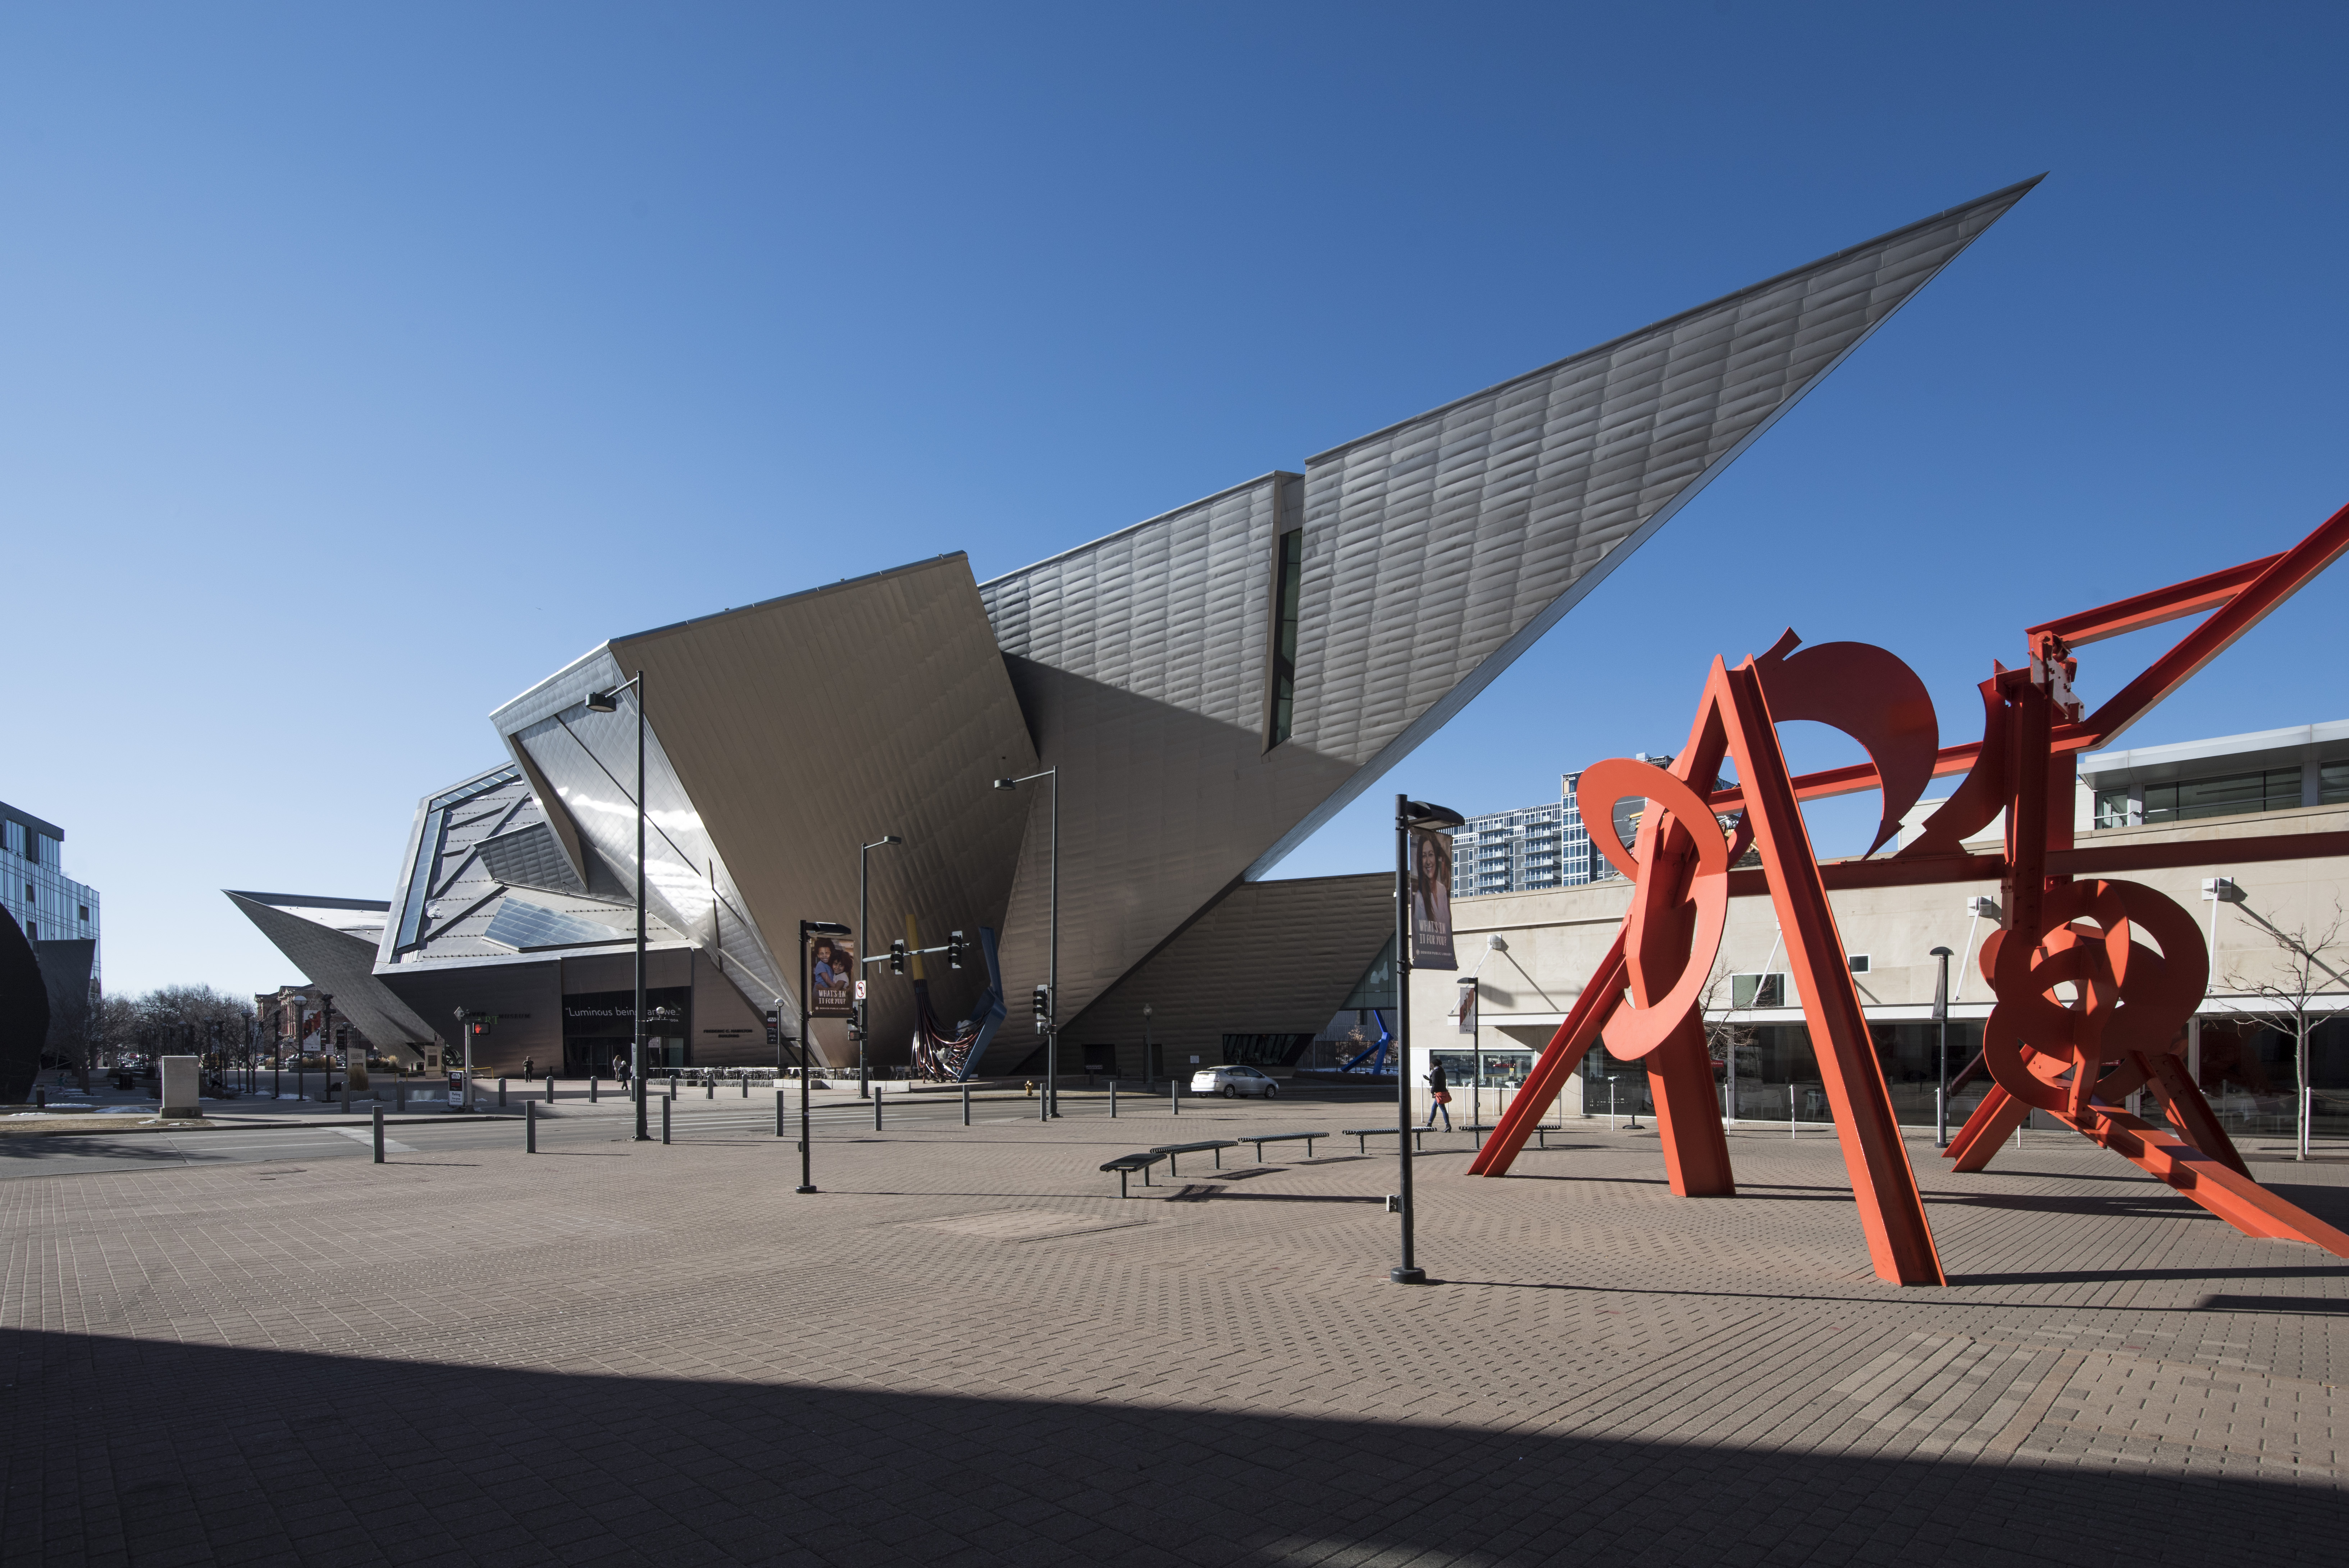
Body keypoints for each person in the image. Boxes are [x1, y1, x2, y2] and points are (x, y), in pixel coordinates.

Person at [1424, 1061, 1452, 1130]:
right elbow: (1439, 1082)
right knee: (1434, 1108)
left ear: (1433, 1065)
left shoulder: (1435, 1072)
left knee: (1443, 1109)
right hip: (1443, 1091)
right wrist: (1430, 1080)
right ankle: (1430, 1123)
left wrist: (1432, 1092)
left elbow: (1435, 1084)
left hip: (1439, 1093)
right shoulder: (1441, 1071)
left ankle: (1448, 1125)